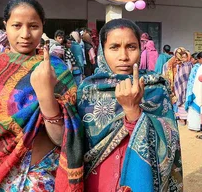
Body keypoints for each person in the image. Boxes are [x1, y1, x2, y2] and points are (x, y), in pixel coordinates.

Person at [0, 0, 83, 191]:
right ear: (5, 26)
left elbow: (64, 138)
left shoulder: (55, 70)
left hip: (39, 174)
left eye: (33, 26)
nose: (25, 34)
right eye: (17, 25)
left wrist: (46, 94)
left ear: (43, 26)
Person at [77, 18, 183, 192]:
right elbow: (75, 143)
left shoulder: (156, 88)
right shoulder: (88, 90)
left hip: (142, 180)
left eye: (131, 47)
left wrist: (133, 111)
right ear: (102, 51)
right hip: (98, 181)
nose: (124, 56)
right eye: (114, 47)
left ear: (140, 50)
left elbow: (169, 143)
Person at [186, 51, 202, 132]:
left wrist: (192, 92)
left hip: (201, 90)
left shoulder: (201, 67)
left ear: (201, 59)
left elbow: (196, 81)